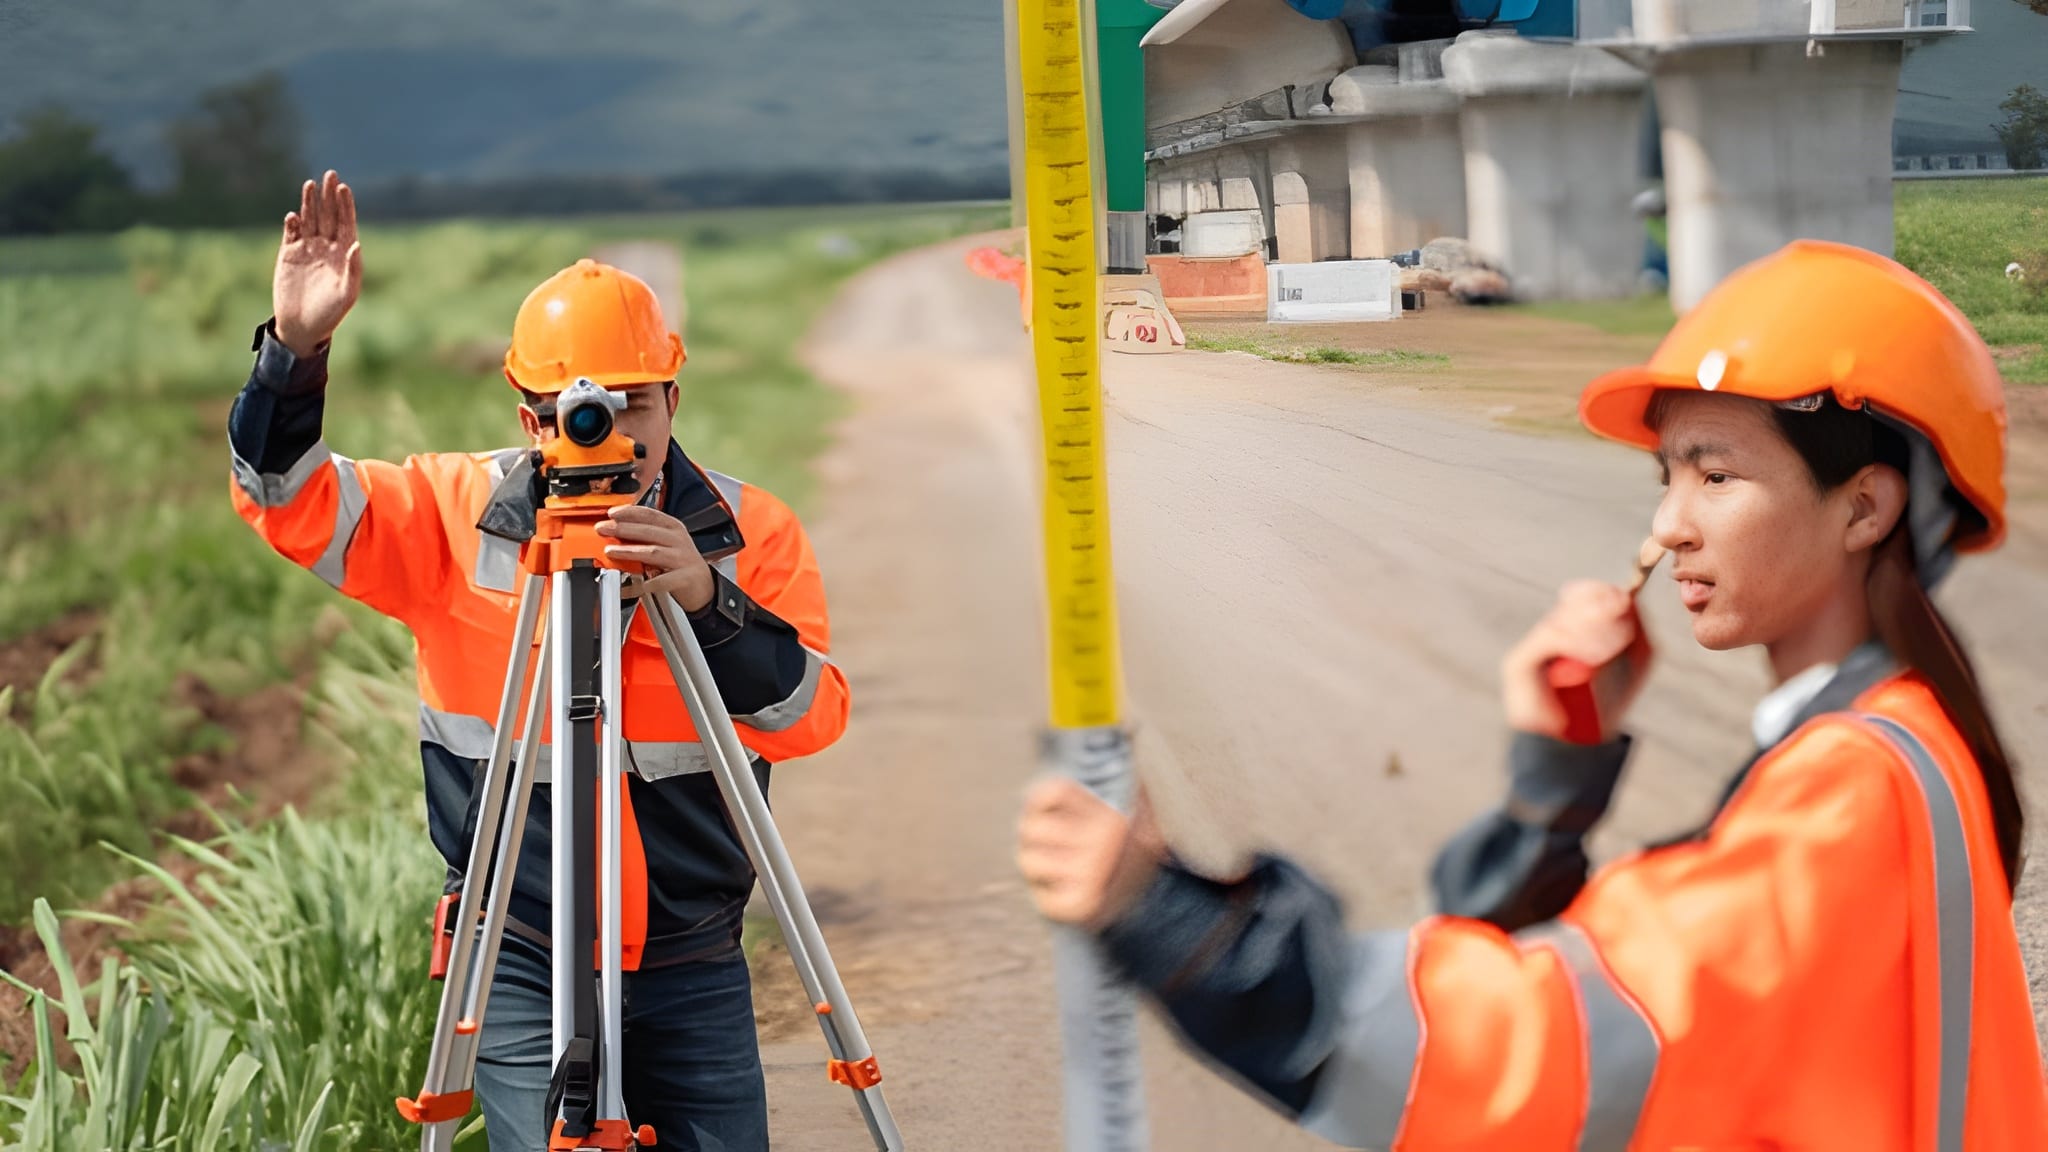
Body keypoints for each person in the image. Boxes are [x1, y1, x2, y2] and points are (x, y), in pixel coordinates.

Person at [1017, 239, 2048, 1149]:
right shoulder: (1890, 745)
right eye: (1664, 481)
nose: (1669, 529)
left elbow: (1535, 1052)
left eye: (1715, 477)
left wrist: (1172, 922)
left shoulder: (1851, 790)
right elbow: (1584, 976)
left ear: (1862, 506)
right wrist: (1553, 783)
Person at [229, 171, 847, 1151]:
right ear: (527, 417)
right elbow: (281, 493)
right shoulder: (448, 513)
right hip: (517, 947)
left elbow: (809, 716)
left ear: (672, 398)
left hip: (692, 950)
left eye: (633, 404)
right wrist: (296, 350)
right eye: (573, 408)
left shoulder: (744, 529)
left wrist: (705, 598)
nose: (611, 431)